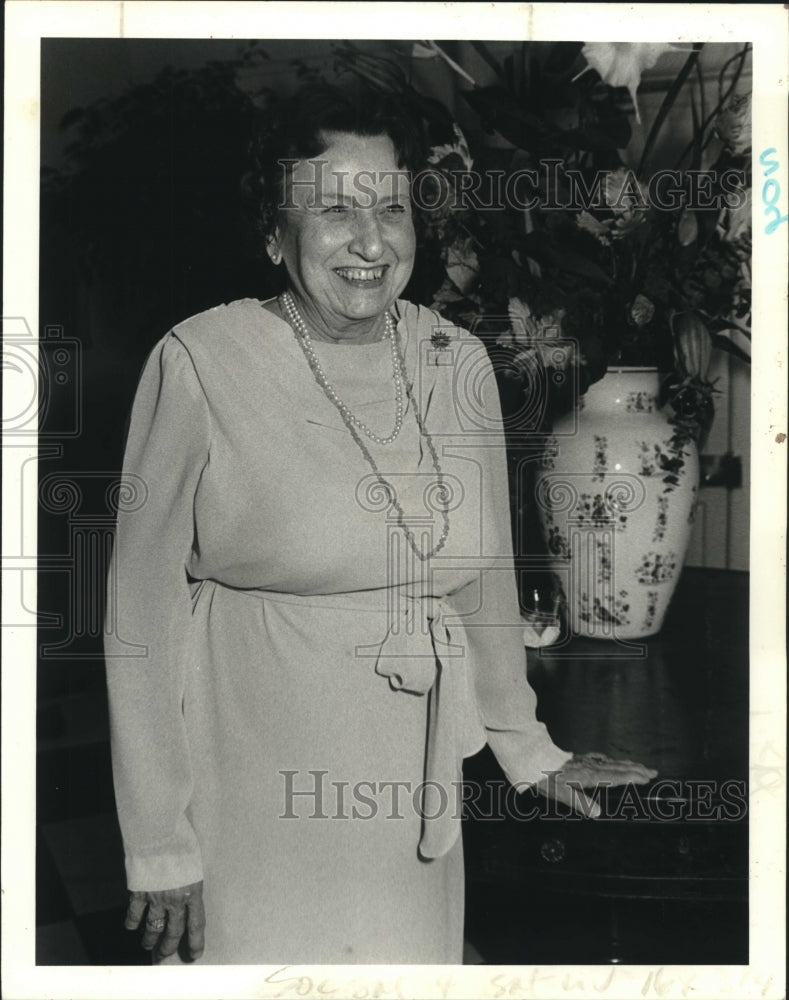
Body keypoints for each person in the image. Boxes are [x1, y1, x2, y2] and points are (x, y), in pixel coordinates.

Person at [104, 84, 656, 966]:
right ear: (272, 234)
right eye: (331, 211)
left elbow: (480, 575)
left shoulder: (456, 357)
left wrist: (526, 747)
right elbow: (138, 614)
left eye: (390, 208)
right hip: (248, 770)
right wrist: (160, 842)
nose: (369, 242)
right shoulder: (200, 360)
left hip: (408, 791)